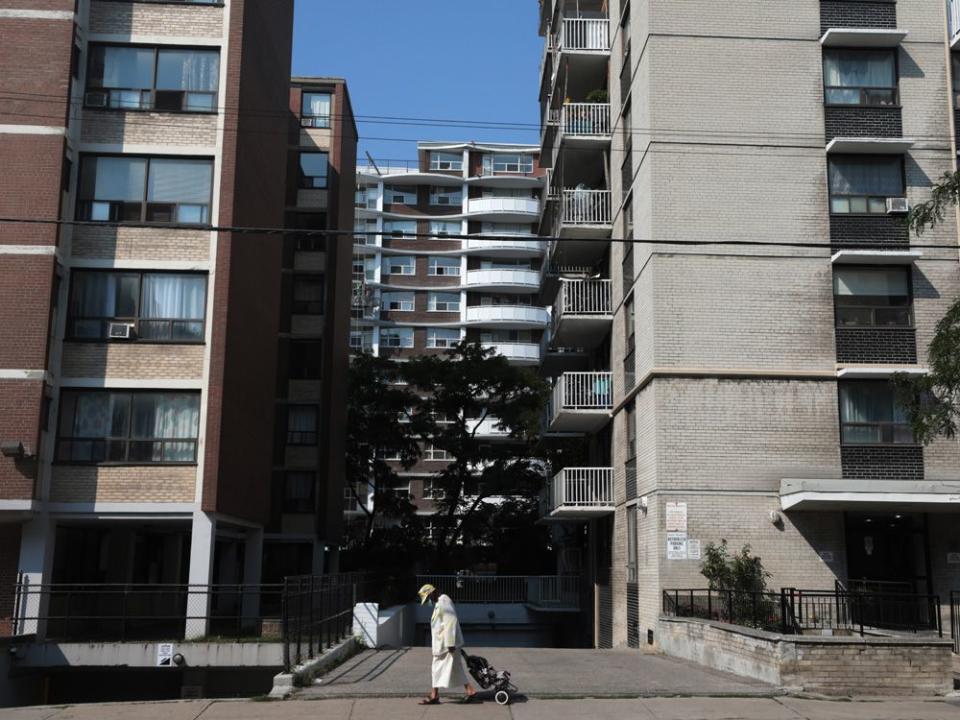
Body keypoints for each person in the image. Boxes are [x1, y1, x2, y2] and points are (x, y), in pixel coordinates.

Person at [417, 583, 478, 705]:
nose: (429, 601)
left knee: (438, 669)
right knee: (455, 668)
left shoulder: (444, 601)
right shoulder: (440, 602)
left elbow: (450, 621)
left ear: (432, 593)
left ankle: (435, 695)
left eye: (428, 598)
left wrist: (450, 643)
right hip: (444, 645)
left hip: (447, 645)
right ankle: (469, 691)